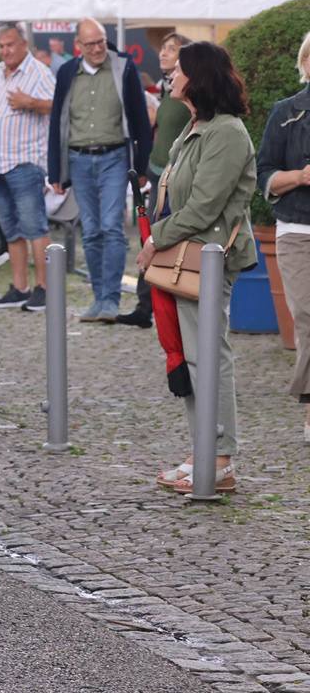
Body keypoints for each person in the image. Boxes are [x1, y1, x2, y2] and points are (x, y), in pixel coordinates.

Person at [143, 41, 255, 495]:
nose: (169, 73)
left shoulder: (226, 132)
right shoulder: (197, 126)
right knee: (190, 359)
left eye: (179, 68)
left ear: (199, 76)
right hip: (185, 258)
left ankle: (221, 457)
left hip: (205, 258)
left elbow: (206, 205)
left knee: (209, 355)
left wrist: (155, 239)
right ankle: (202, 450)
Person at [48, 19, 153, 322]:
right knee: (91, 230)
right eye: (90, 44)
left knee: (111, 226)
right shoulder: (68, 72)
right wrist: (56, 171)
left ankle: (111, 299)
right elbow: (58, 121)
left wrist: (141, 165)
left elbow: (139, 118)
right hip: (79, 159)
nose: (97, 49)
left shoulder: (123, 67)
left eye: (101, 42)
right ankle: (98, 298)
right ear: (77, 46)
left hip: (114, 157)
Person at [122, 34, 197, 329]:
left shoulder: (187, 92)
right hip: (158, 171)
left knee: (161, 237)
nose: (163, 53)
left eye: (171, 49)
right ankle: (146, 304)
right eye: (163, 48)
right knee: (148, 236)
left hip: (174, 177)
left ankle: (162, 303)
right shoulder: (170, 88)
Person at [0, 22, 57, 313]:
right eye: (1, 46)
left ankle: (45, 288)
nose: (5, 51)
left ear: (24, 44)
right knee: (11, 230)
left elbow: (58, 104)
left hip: (26, 161)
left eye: (10, 45)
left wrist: (30, 102)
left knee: (34, 227)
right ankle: (20, 287)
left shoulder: (39, 72)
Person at [260, 30, 310, 441]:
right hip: (297, 231)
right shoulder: (285, 113)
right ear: (305, 64)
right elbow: (263, 175)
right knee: (308, 316)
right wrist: (299, 177)